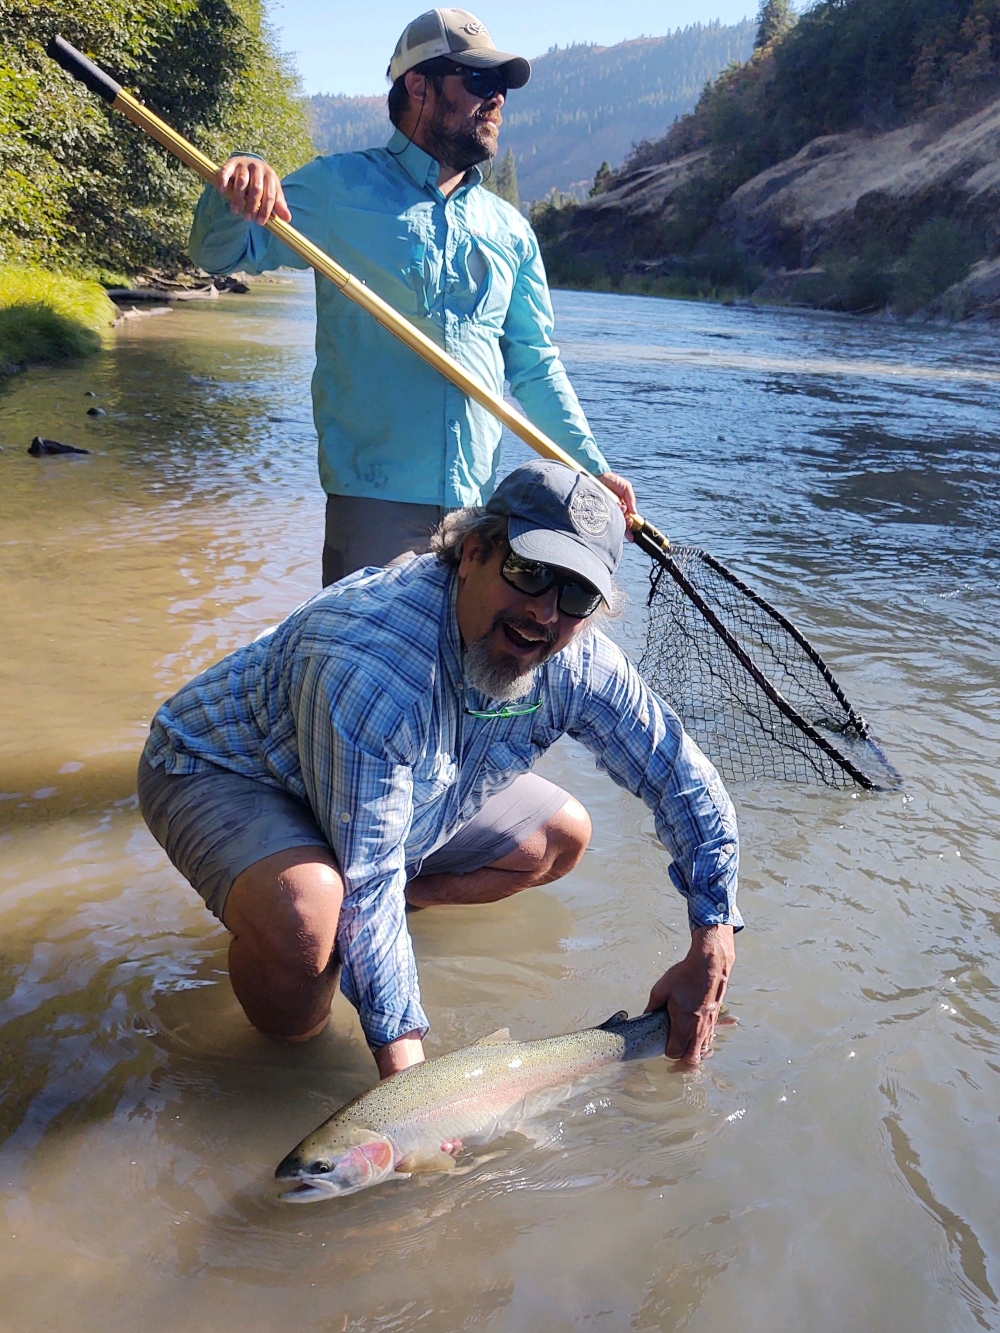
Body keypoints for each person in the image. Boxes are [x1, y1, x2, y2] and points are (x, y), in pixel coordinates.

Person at [138, 460, 741, 1078]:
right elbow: (368, 881)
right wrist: (410, 1090)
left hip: (384, 789)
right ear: (472, 552)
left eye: (576, 594)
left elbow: (682, 778)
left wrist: (712, 943)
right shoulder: (370, 664)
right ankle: (285, 1058)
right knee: (309, 915)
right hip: (225, 767)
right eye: (528, 573)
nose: (544, 613)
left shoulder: (582, 664)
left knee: (559, 838)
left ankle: (353, 944)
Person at [188, 7, 636, 586]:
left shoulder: (511, 230)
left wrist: (590, 469)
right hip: (373, 506)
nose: (496, 98)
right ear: (419, 87)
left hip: (479, 517)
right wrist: (238, 185)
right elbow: (220, 253)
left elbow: (535, 366)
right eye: (478, 80)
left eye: (500, 86)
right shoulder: (333, 189)